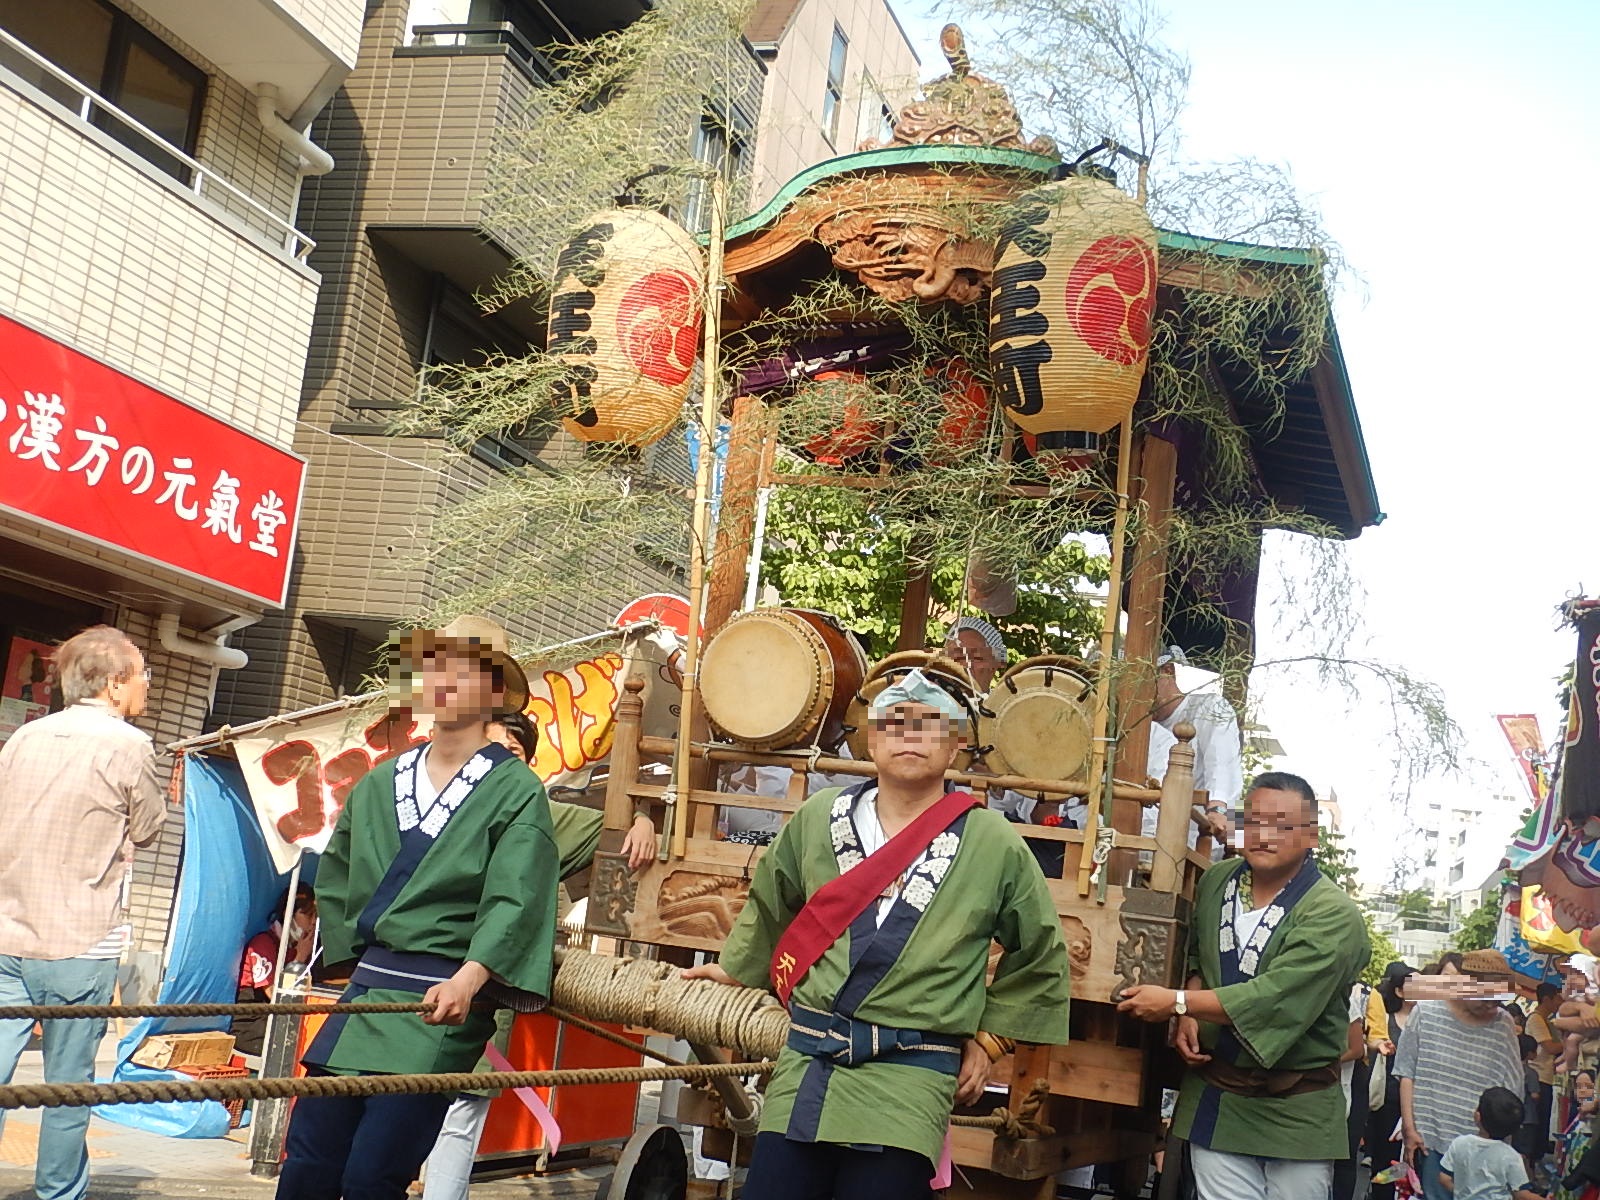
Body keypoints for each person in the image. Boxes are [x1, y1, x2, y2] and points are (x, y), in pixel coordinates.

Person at [683, 668, 1071, 1199]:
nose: (909, 735)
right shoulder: (820, 816)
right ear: (870, 739)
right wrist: (736, 969)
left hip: (911, 1072)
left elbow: (1040, 951)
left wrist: (990, 1039)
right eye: (893, 723)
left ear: (956, 744)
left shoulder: (993, 841)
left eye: (928, 725)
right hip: (809, 1060)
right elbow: (771, 900)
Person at [275, 616, 561, 1200]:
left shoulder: (517, 790)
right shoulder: (380, 783)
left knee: (373, 1175)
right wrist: (351, 955)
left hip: (443, 999)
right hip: (367, 993)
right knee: (307, 1159)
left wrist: (472, 976)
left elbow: (518, 895)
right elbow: (339, 873)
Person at [420, 710, 657, 1200]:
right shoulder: (426, 805)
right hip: (410, 982)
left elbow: (610, 830)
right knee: (393, 1114)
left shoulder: (543, 814)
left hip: (477, 997)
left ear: (528, 766)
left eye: (512, 755)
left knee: (459, 1116)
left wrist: (642, 819)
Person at [1117, 771, 1369, 1198]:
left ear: (1312, 837)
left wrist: (1179, 1003)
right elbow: (1198, 952)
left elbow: (1276, 998)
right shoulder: (1218, 881)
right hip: (1220, 1095)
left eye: (1284, 825)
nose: (1265, 835)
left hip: (1297, 1107)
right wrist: (1191, 998)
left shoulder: (1334, 913)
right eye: (1254, 820)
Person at [0, 625, 165, 1200]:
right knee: (67, 1089)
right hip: (80, 938)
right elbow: (146, 829)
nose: (149, 684)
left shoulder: (24, 738)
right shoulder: (130, 746)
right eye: (144, 674)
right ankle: (58, 1194)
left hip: (6, 931)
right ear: (117, 684)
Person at [1395, 948, 1525, 1200]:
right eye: (1485, 998)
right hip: (1430, 1140)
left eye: (1497, 1000)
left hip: (1482, 1150)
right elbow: (1406, 1072)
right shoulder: (1426, 1011)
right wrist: (1409, 1130)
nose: (1491, 1006)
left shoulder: (1503, 1023)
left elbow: (1513, 1088)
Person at [1142, 648, 1238, 846]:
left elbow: (1221, 764)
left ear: (1167, 670)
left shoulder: (1209, 708)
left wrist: (1218, 808)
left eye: (1140, 681)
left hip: (1197, 838)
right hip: (1140, 835)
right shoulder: (1137, 727)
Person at [234, 885, 318, 1056]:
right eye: (307, 915)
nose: (312, 922)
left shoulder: (290, 948)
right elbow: (275, 995)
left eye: (315, 916)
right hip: (250, 1025)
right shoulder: (263, 944)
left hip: (273, 1018)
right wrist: (300, 957)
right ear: (288, 914)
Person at [1437, 1085, 1542, 1200]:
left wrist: (1462, 1192)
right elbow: (1522, 1195)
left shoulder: (1459, 1143)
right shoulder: (1511, 1156)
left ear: (1477, 1116)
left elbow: (1444, 1178)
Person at [1371, 963, 1420, 1199]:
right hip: (1388, 1102)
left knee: (1408, 1159)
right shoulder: (1386, 1020)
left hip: (1416, 1104)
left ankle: (1401, 1192)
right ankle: (1380, 1192)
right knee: (1384, 1157)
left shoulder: (1426, 1024)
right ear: (1399, 992)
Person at [1530, 983, 1564, 1161]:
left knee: (1543, 1122)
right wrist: (1573, 1042)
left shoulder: (1548, 1022)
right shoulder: (1536, 1020)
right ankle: (1533, 1162)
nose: (1560, 1002)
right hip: (1539, 1078)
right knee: (1538, 1123)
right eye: (1557, 998)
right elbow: (1550, 1047)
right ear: (1546, 999)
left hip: (1547, 1078)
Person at [942, 615, 1006, 690]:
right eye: (952, 655)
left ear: (992, 668)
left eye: (972, 656)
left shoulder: (1004, 701)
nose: (961, 665)